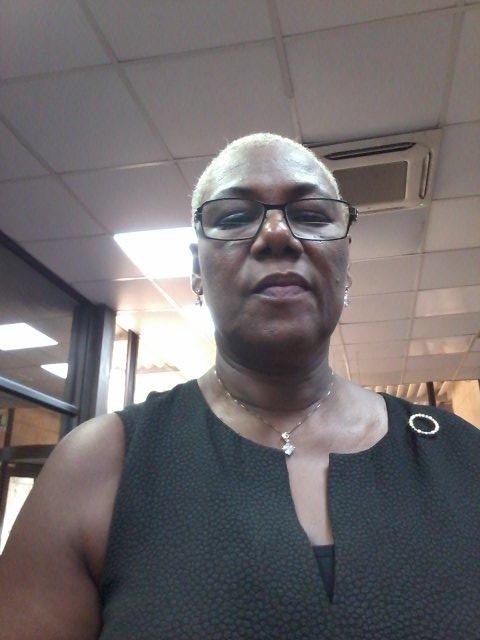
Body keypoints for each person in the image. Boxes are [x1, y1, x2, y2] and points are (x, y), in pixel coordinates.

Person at [1, 133, 479, 639]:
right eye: (233, 217)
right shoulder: (99, 466)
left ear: (345, 263)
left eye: (311, 215)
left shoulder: (462, 457)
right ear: (196, 271)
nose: (277, 234)